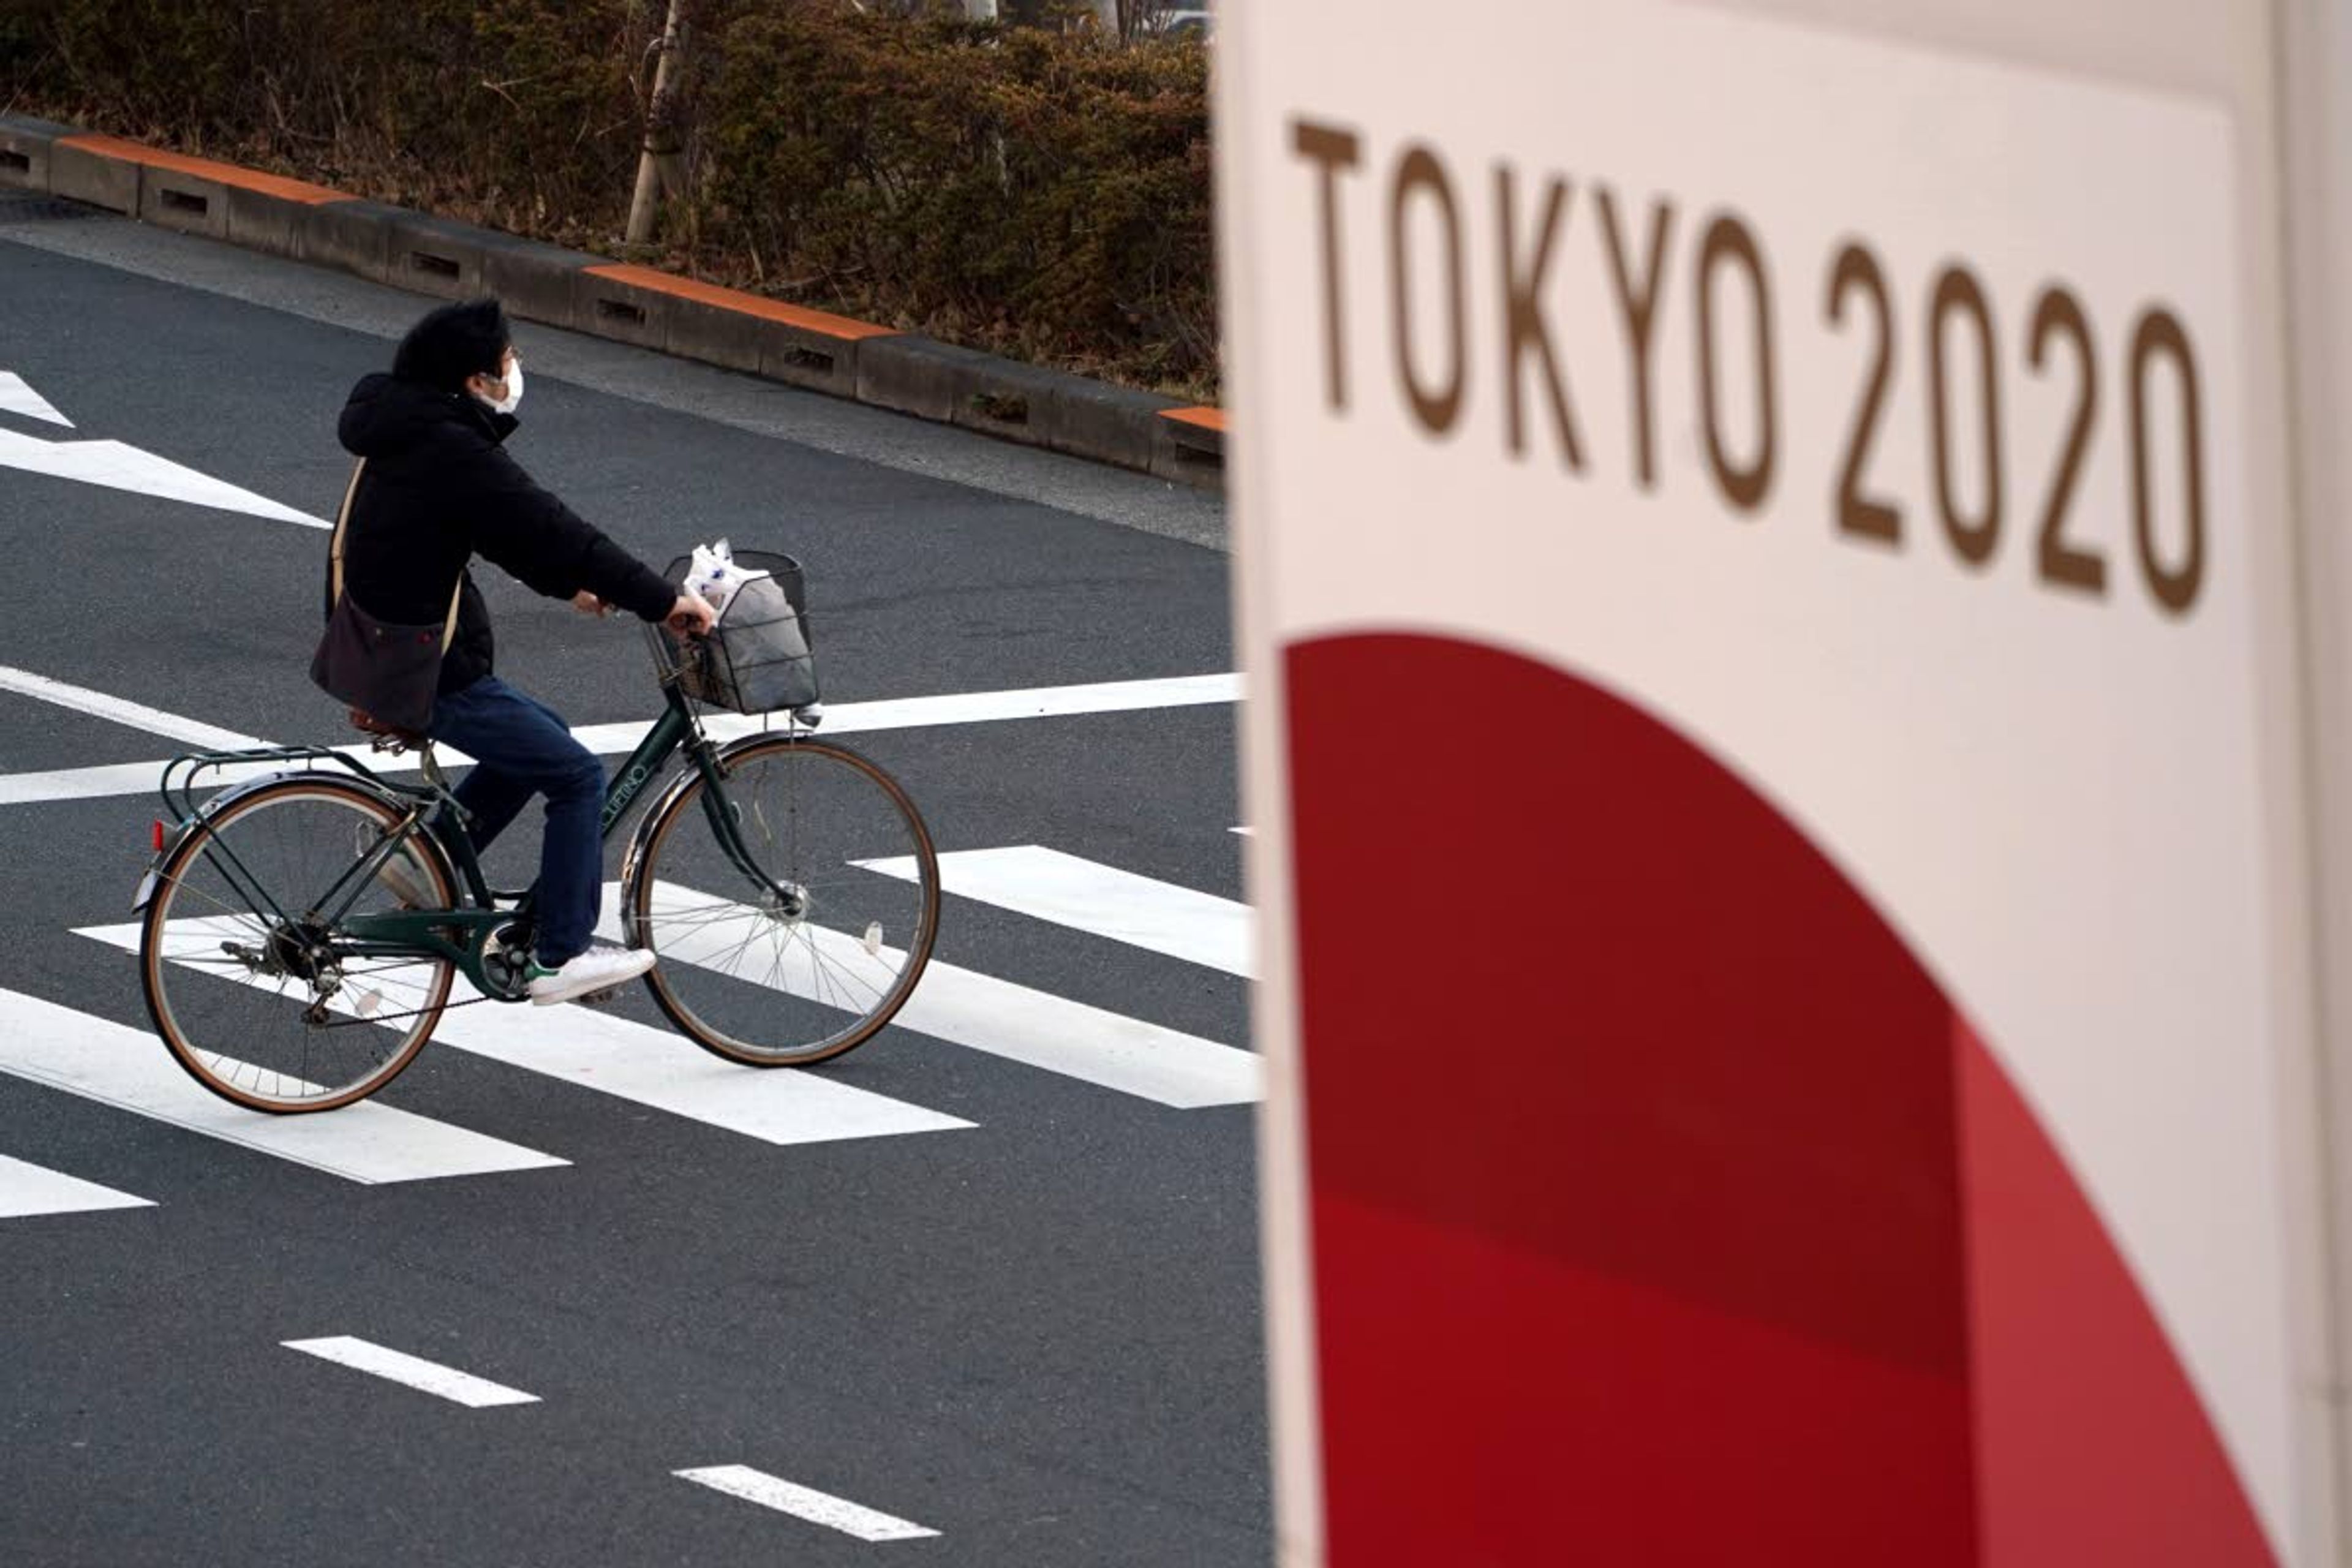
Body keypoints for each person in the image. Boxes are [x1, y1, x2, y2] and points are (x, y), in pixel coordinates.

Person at [332, 297, 717, 1005]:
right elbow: (555, 528)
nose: (515, 371)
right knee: (575, 775)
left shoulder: (408, 424)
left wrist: (569, 586)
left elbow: (503, 532)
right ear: (475, 378)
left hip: (388, 643)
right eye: (507, 360)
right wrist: (663, 602)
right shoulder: (452, 446)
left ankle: (432, 863)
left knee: (542, 742)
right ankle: (558, 955)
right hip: (424, 662)